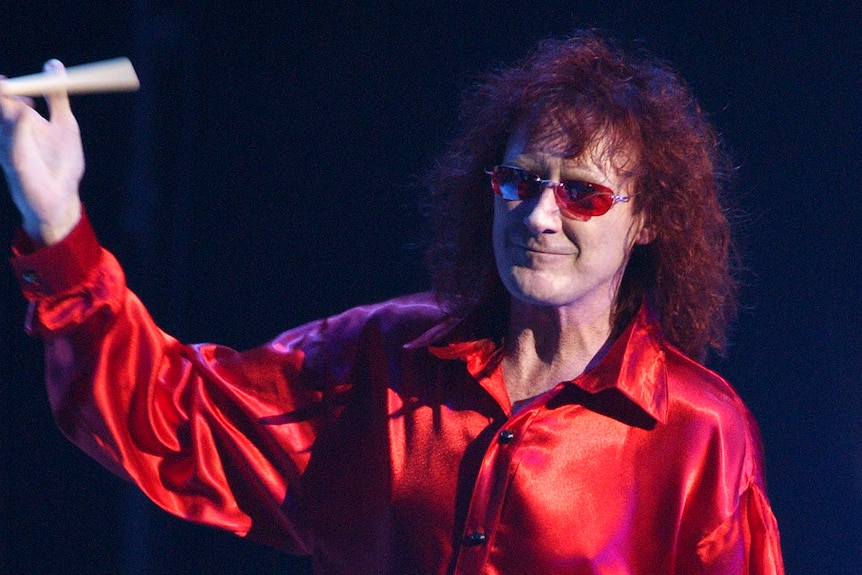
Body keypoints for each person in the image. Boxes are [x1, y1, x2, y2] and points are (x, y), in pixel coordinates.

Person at [2, 31, 784, 574]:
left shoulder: (697, 431)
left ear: (646, 218)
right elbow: (170, 412)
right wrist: (57, 223)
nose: (540, 215)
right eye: (520, 181)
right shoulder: (382, 357)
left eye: (582, 194)